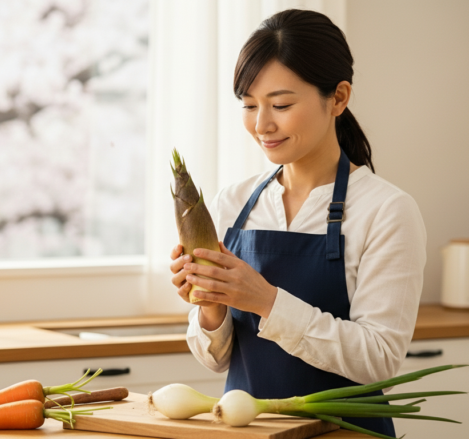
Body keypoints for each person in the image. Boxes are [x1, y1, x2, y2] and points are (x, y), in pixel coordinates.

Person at [169, 9, 426, 436]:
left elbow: (378, 358)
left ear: (339, 98)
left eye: (282, 104)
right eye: (249, 105)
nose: (262, 124)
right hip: (249, 431)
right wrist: (211, 305)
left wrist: (267, 301)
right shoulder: (233, 202)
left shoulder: (386, 210)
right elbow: (215, 359)